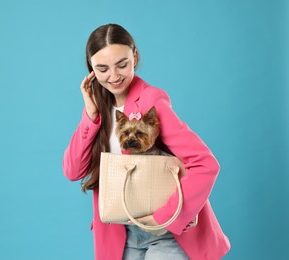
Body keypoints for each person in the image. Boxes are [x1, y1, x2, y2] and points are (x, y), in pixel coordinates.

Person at [62, 23, 230, 260]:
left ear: (135, 57)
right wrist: (90, 116)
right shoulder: (96, 110)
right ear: (91, 70)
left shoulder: (151, 99)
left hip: (166, 233)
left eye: (122, 64)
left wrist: (163, 216)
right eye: (102, 68)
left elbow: (205, 164)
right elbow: (73, 170)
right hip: (120, 235)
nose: (114, 76)